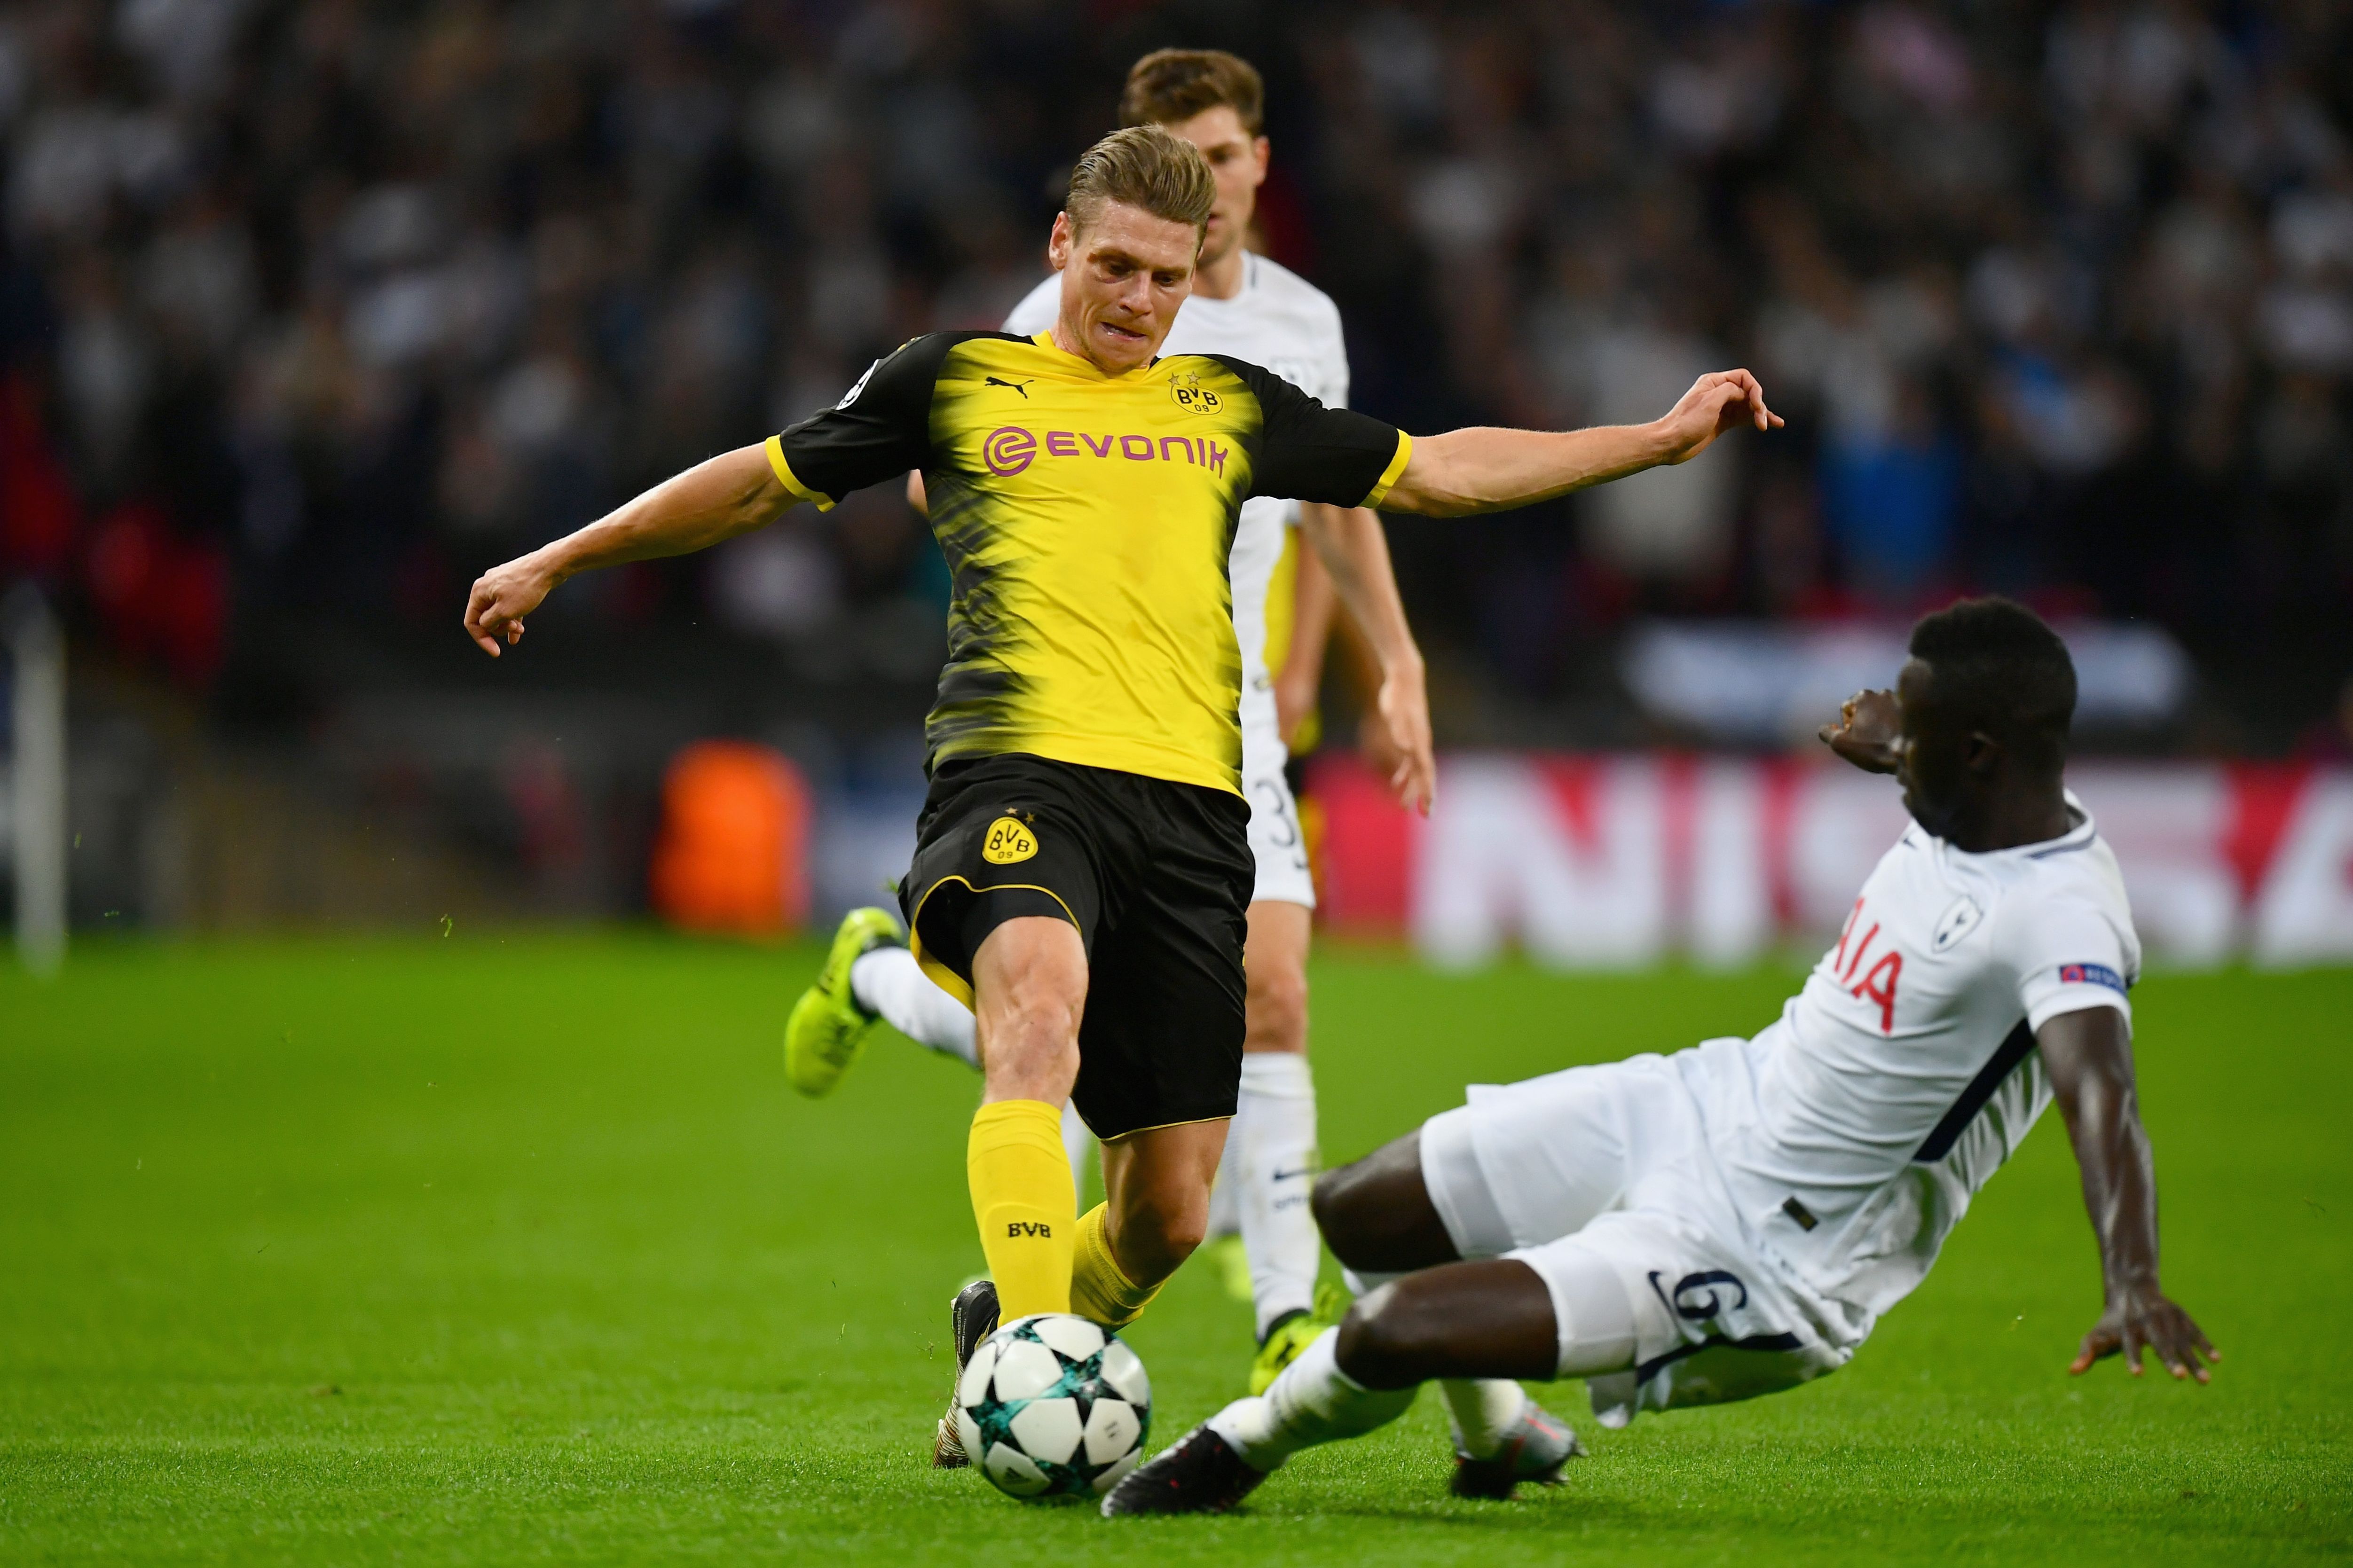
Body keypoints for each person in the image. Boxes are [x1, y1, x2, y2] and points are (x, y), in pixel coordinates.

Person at [460, 121, 1780, 1472]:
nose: (1136, 301)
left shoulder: (1226, 402)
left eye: (1165, 276)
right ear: (1059, 249)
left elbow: (1437, 468)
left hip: (1193, 817)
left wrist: (1655, 442)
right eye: (1113, 268)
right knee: (1035, 1019)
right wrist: (565, 555)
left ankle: (1013, 1329)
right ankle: (1030, 1358)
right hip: (1018, 774)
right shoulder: (956, 381)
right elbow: (758, 481)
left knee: (1164, 1211)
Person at [1106, 597, 2217, 1516]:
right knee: (1358, 1212)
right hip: (1706, 1099)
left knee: (1389, 1331)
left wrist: (2133, 1279)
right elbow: (1932, 776)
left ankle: (1237, 1447)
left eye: (1915, 727)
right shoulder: (1972, 794)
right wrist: (1892, 744)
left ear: (1977, 755)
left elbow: (2100, 1094)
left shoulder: (2062, 916)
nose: (1893, 737)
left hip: (1769, 1252)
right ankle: (1495, 1439)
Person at [781, 46, 1429, 1399]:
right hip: (1070, 714)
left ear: (1255, 167)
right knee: (1050, 1030)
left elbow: (1335, 492)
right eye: (1184, 157)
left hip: (1227, 713)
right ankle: (1213, 1319)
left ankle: (1268, 1303)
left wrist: (1373, 661)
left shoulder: (1300, 321)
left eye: (1229, 158)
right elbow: (943, 472)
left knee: (1270, 994)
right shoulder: (1062, 306)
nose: (1212, 184)